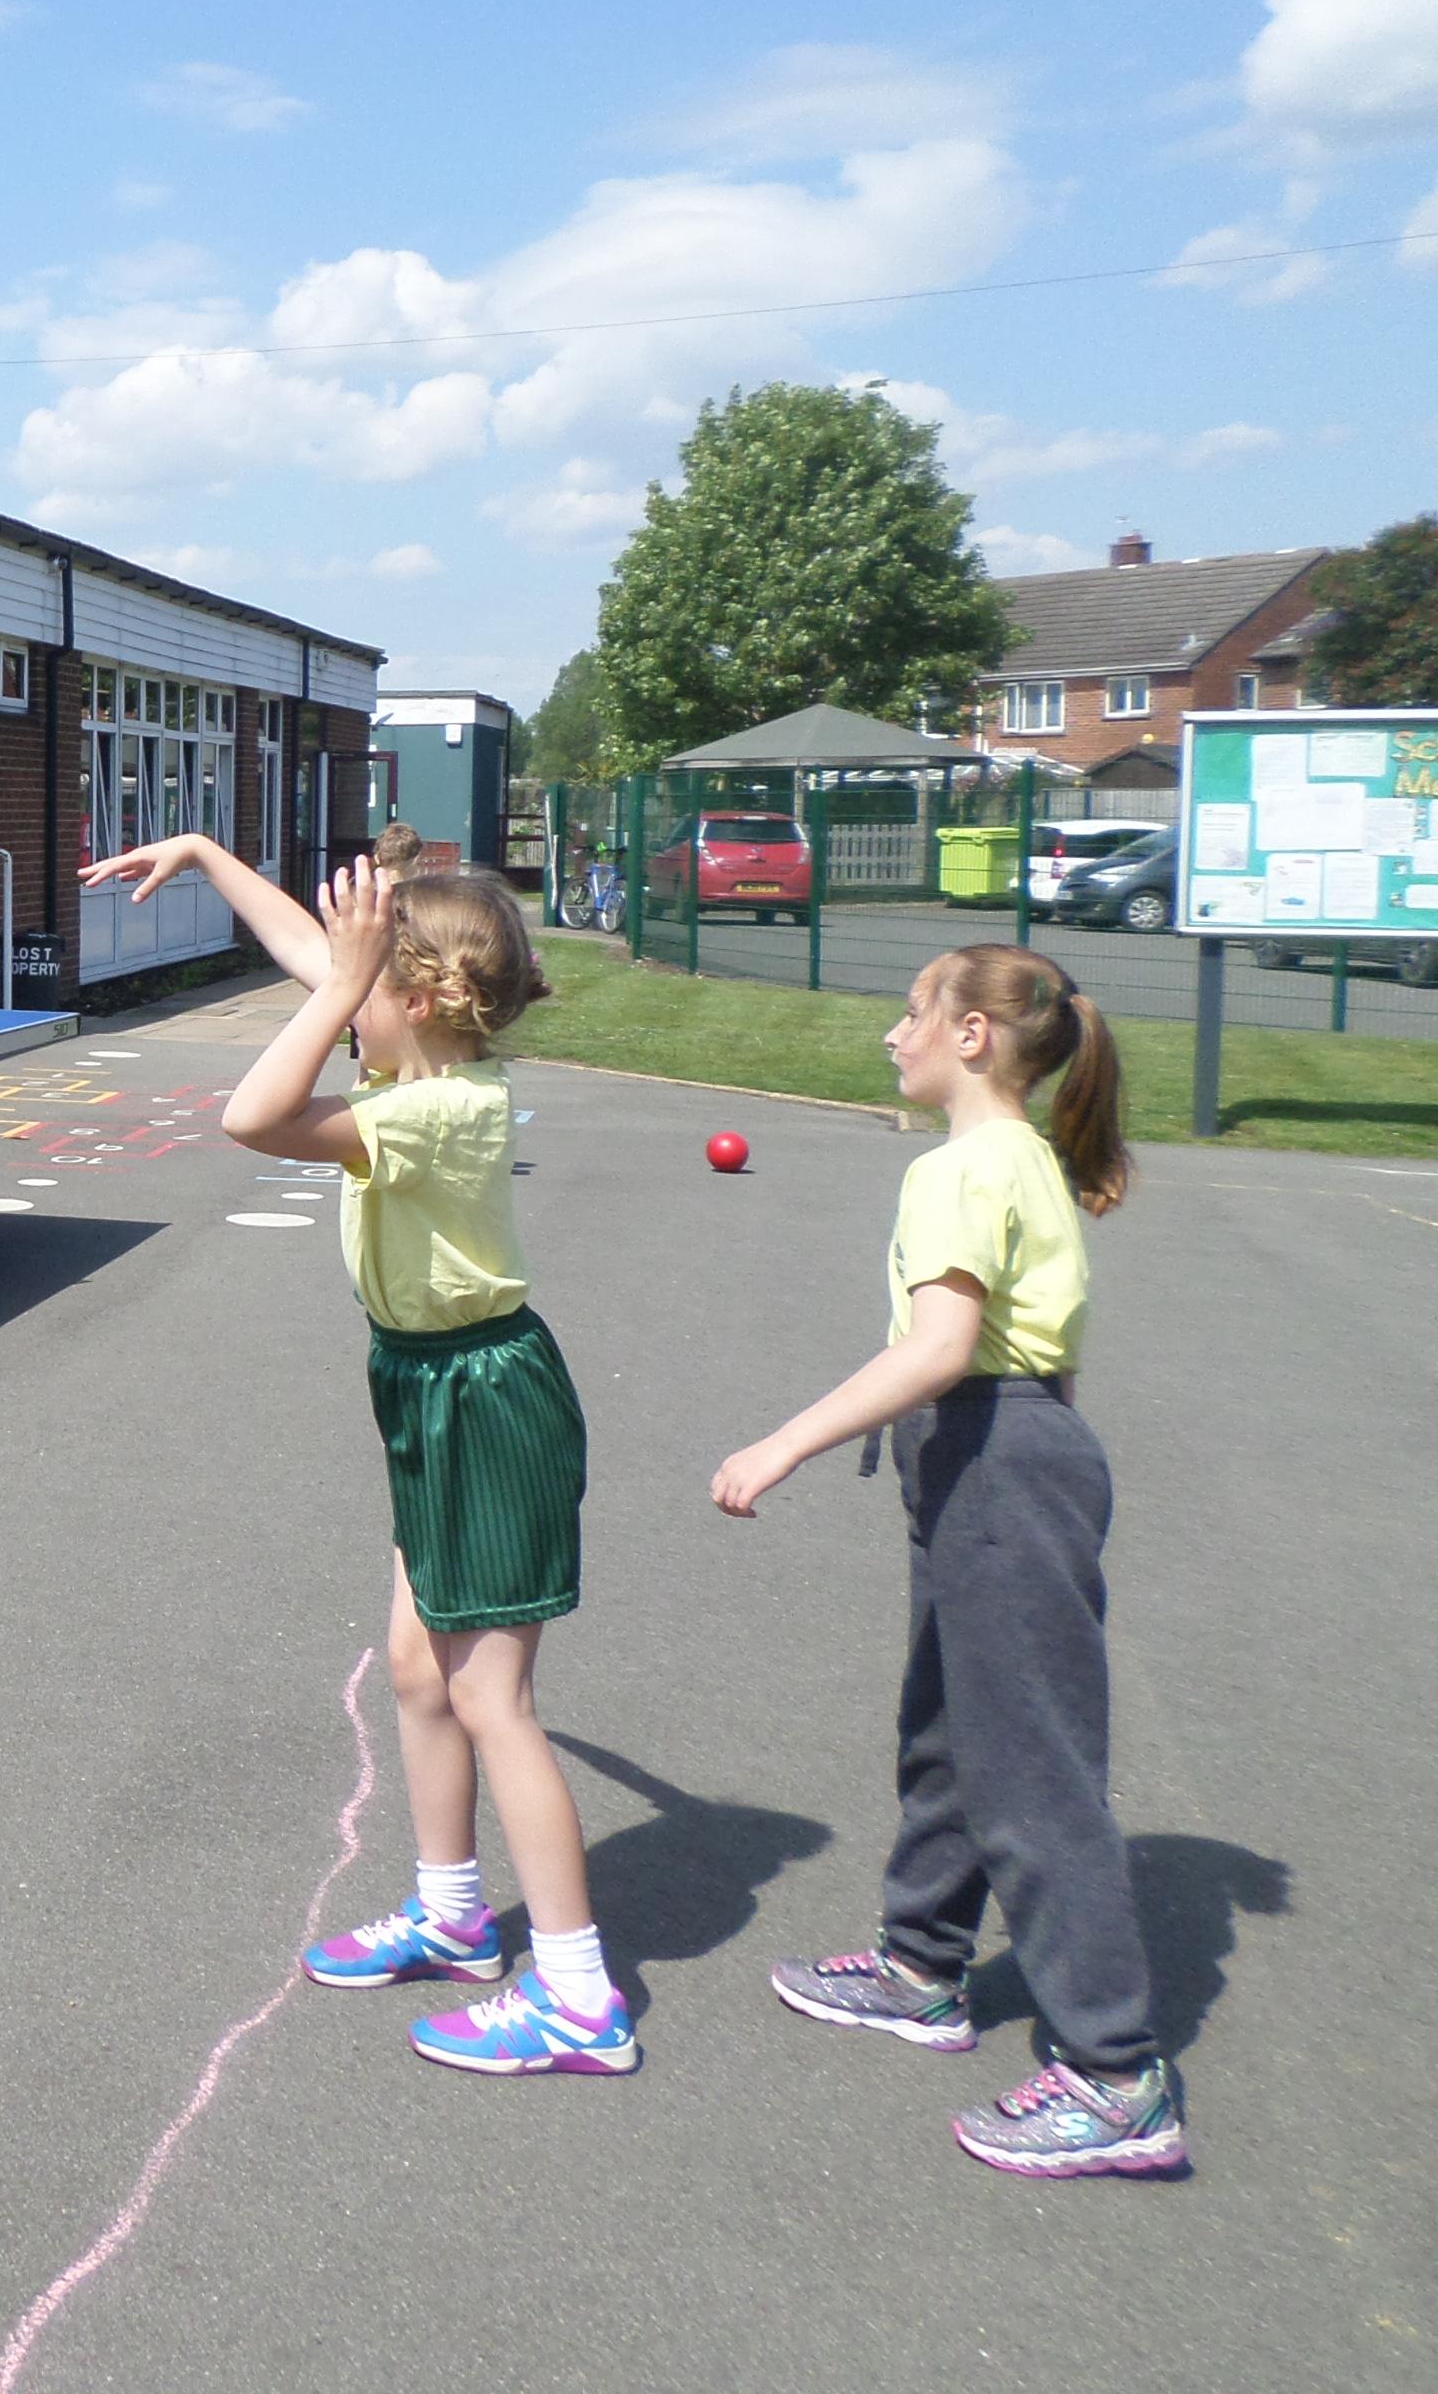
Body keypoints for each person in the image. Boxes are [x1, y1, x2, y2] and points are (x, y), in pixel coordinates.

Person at [83, 833, 636, 2077]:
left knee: (492, 1700)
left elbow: (252, 1116)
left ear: (418, 999)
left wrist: (339, 985)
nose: (335, 1001)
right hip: (429, 1384)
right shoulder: (417, 1070)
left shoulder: (435, 1112)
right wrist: (209, 856)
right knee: (418, 1670)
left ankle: (578, 1997)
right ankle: (453, 1917)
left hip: (485, 1399)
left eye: (360, 986)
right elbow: (307, 949)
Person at [709, 947, 1180, 2178]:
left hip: (997, 1457)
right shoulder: (1022, 1158)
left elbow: (939, 1347)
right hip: (996, 1453)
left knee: (1033, 1773)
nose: (894, 1034)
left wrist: (782, 1444)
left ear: (973, 1036)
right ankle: (922, 1966)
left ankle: (1116, 2076)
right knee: (949, 1732)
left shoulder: (961, 1169)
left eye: (913, 1011)